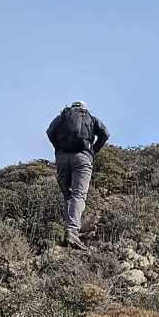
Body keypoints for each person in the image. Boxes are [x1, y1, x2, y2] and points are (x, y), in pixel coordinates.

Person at [46, 100, 110, 249]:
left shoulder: (61, 117)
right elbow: (105, 134)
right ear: (84, 109)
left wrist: (58, 148)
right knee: (78, 195)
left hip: (62, 159)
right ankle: (72, 232)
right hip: (82, 158)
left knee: (67, 195)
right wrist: (93, 150)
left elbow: (50, 132)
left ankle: (70, 230)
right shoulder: (91, 118)